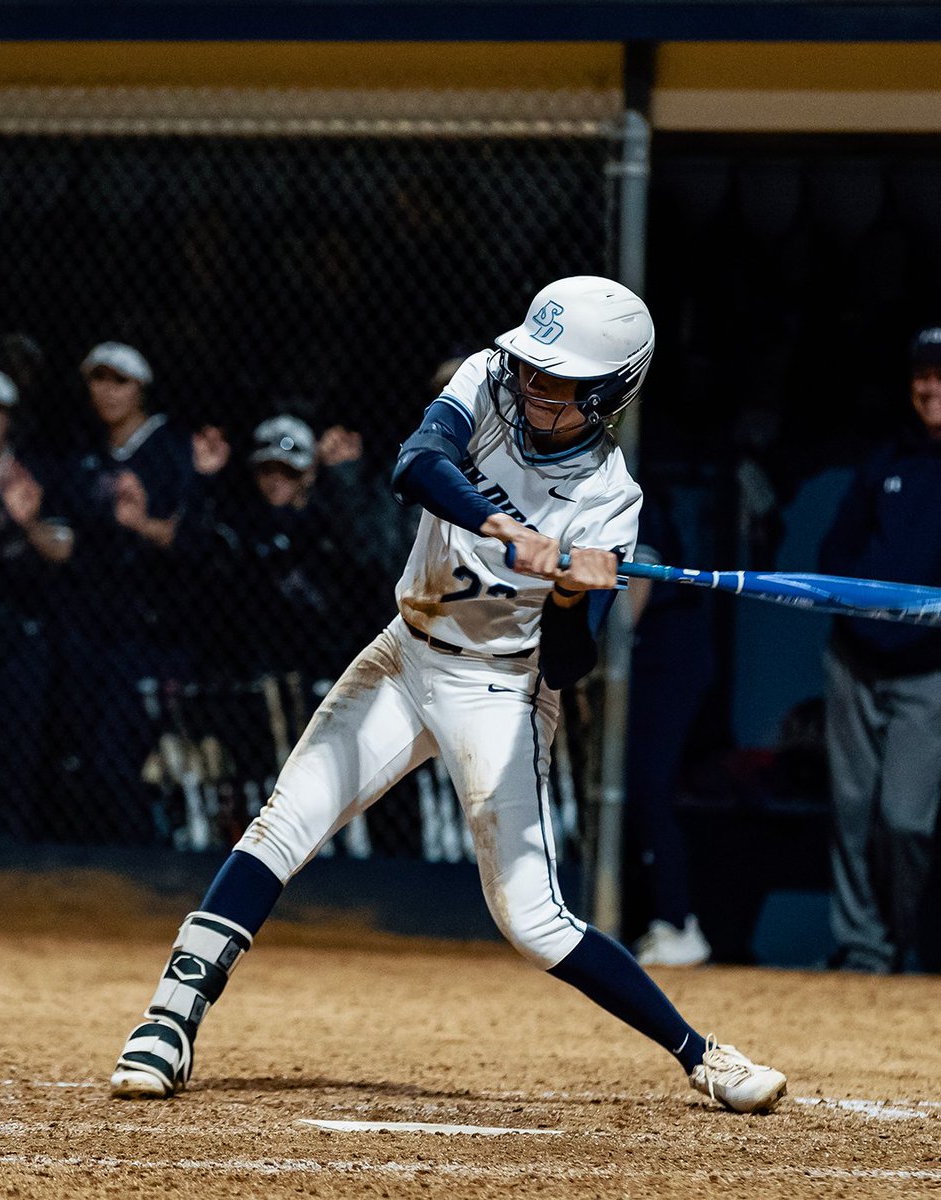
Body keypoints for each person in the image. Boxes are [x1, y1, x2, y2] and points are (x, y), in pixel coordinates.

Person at [110, 276, 786, 1114]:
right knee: (283, 823)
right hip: (405, 656)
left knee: (531, 920)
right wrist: (507, 528)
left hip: (500, 692)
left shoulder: (610, 504)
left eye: (558, 381)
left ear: (608, 394)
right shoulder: (489, 384)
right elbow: (418, 465)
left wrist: (573, 590)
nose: (534, 386)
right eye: (534, 368)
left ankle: (702, 1055)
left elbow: (567, 666)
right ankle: (168, 1020)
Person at [819, 325, 941, 973]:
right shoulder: (884, 461)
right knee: (850, 809)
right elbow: (834, 554)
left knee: (906, 820)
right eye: (923, 375)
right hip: (856, 660)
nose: (931, 388)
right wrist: (860, 618)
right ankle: (863, 948)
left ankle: (901, 939)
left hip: (929, 670)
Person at [49, 341, 196, 841]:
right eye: (98, 379)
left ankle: (148, 857)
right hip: (92, 629)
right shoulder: (86, 456)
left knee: (123, 757)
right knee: (87, 756)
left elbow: (192, 540)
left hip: (155, 632)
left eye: (120, 381)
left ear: (142, 388)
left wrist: (142, 525)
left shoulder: (171, 451)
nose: (108, 391)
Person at [0, 366, 72, 839]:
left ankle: (9, 864)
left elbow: (62, 550)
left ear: (10, 418)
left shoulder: (36, 475)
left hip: (18, 635)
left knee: (12, 761)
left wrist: (29, 523)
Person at [627, 485, 715, 967]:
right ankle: (659, 919)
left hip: (667, 659)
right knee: (637, 790)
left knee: (649, 785)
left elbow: (635, 590)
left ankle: (677, 923)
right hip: (649, 661)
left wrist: (596, 662)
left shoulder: (630, 496)